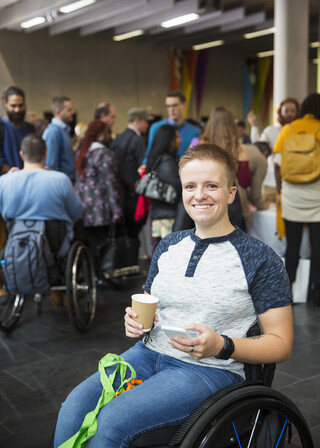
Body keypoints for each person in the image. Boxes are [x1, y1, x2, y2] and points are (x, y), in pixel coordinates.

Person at [53, 143, 293, 448]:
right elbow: (149, 306)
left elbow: (281, 344)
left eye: (211, 186)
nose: (199, 195)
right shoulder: (168, 246)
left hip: (209, 370)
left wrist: (221, 345)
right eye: (190, 186)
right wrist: (138, 322)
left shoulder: (259, 257)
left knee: (111, 423)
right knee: (74, 407)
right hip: (147, 353)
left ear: (231, 193)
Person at [0, 133, 83, 304]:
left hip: (16, 245)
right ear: (46, 154)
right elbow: (77, 212)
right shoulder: (60, 179)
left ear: (21, 155)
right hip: (56, 248)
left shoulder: (4, 182)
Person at [273, 93, 320, 306]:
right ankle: (316, 293)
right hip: (317, 197)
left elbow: (276, 162)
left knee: (293, 246)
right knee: (318, 247)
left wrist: (280, 190)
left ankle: (288, 291)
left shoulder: (287, 129)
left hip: (292, 196)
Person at [74, 120, 123, 278]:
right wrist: (117, 211)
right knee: (102, 245)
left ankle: (92, 277)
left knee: (90, 245)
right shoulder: (104, 154)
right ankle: (102, 277)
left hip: (82, 208)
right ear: (101, 135)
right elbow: (111, 184)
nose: (110, 136)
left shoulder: (82, 153)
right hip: (100, 210)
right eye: (108, 133)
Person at [200, 106, 252, 229]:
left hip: (205, 198)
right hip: (230, 200)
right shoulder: (238, 148)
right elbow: (245, 182)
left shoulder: (200, 145)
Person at [110, 108, 149, 240]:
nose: (147, 125)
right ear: (137, 121)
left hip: (119, 193)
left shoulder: (118, 139)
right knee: (133, 236)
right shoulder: (137, 140)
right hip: (133, 195)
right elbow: (141, 167)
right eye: (145, 121)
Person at [146, 124, 181, 253]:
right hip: (167, 217)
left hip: (160, 215)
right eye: (176, 137)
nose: (180, 140)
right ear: (169, 140)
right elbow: (179, 188)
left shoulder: (159, 159)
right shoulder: (167, 163)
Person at [141, 90, 199, 166]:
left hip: (184, 171)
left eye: (175, 105)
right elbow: (150, 151)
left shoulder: (194, 131)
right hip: (163, 171)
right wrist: (144, 164)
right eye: (168, 106)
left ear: (184, 105)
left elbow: (195, 156)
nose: (171, 109)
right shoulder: (157, 127)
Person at [259, 98, 299, 202]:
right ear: (280, 112)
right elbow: (260, 149)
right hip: (272, 183)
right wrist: (269, 150)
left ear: (297, 112)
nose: (289, 114)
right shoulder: (270, 131)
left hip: (296, 184)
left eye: (292, 111)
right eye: (286, 111)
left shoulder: (302, 133)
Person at [0, 85, 35, 174]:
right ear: (4, 104)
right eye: (13, 106)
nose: (17, 110)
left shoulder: (30, 129)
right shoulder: (1, 127)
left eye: (20, 105)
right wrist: (16, 175)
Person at [42, 96, 75, 177]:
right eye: (69, 110)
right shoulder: (53, 131)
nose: (73, 112)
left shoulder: (63, 130)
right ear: (58, 111)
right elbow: (50, 164)